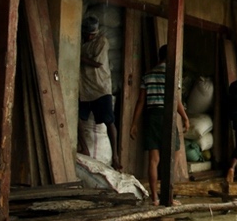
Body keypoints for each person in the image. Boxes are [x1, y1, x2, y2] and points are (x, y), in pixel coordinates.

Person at [128, 44, 190, 205]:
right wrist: (185, 117)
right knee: (174, 157)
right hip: (167, 116)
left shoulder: (148, 75)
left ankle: (155, 197)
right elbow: (176, 100)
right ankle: (167, 196)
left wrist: (134, 123)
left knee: (153, 160)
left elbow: (141, 101)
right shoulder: (172, 75)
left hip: (152, 116)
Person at [78, 15, 121, 170]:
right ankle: (85, 148)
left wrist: (80, 57)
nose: (88, 36)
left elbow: (98, 63)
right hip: (85, 89)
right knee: (78, 119)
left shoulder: (102, 41)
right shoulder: (82, 42)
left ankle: (115, 157)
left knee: (109, 121)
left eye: (90, 34)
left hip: (101, 88)